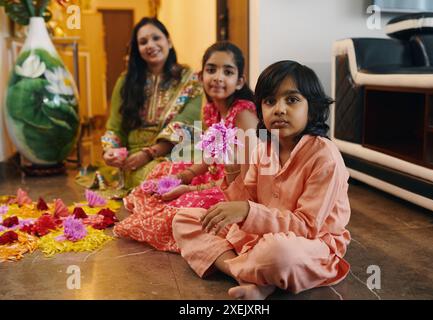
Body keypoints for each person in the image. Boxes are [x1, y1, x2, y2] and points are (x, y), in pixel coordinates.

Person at [172, 60, 352, 300]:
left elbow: (308, 226)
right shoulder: (263, 149)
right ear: (261, 110)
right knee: (185, 219)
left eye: (292, 100)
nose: (279, 109)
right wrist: (233, 174)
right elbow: (249, 203)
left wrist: (248, 213)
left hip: (310, 243)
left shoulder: (324, 156)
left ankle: (250, 271)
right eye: (269, 101)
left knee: (280, 253)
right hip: (258, 237)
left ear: (313, 108)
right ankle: (251, 276)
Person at [113, 42, 258, 252]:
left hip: (237, 190)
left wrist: (191, 188)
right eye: (211, 70)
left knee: (176, 209)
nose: (218, 77)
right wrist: (186, 175)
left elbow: (245, 179)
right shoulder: (212, 109)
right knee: (161, 174)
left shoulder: (244, 114)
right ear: (200, 77)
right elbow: (211, 157)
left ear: (239, 82)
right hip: (217, 178)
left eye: (227, 72)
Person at [76, 17, 202, 196]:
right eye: (143, 42)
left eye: (156, 38)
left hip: (177, 151)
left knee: (192, 173)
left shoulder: (192, 81)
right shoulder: (125, 81)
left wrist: (150, 153)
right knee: (160, 179)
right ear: (138, 50)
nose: (150, 45)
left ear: (169, 41)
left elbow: (187, 124)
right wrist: (110, 151)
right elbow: (115, 127)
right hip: (135, 159)